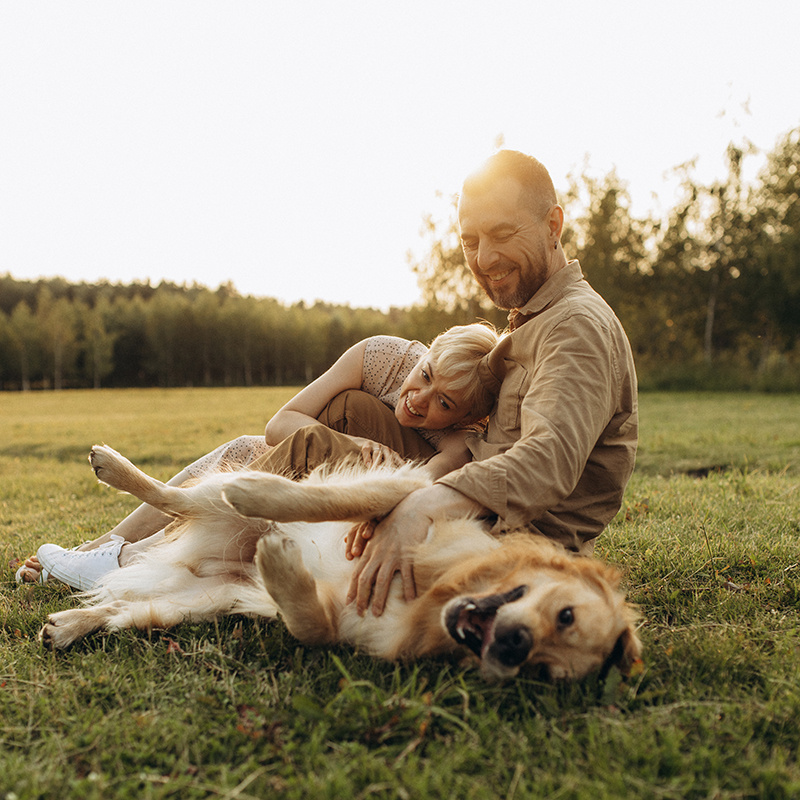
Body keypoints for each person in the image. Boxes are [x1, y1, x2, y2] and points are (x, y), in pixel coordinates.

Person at [342, 149, 639, 616]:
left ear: (553, 226)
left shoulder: (575, 326)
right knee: (350, 409)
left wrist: (422, 507)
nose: (484, 258)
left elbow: (549, 459)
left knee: (304, 454)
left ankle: (198, 518)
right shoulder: (535, 318)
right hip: (468, 496)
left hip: (504, 541)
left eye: (503, 234)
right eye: (470, 240)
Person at [20, 324, 499, 589]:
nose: (420, 398)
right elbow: (281, 424)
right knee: (247, 448)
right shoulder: (380, 355)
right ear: (425, 350)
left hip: (372, 489)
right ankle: (102, 547)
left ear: (467, 416)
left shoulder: (461, 441)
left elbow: (417, 489)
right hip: (335, 460)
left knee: (323, 422)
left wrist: (368, 460)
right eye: (426, 374)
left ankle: (131, 559)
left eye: (444, 404)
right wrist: (353, 445)